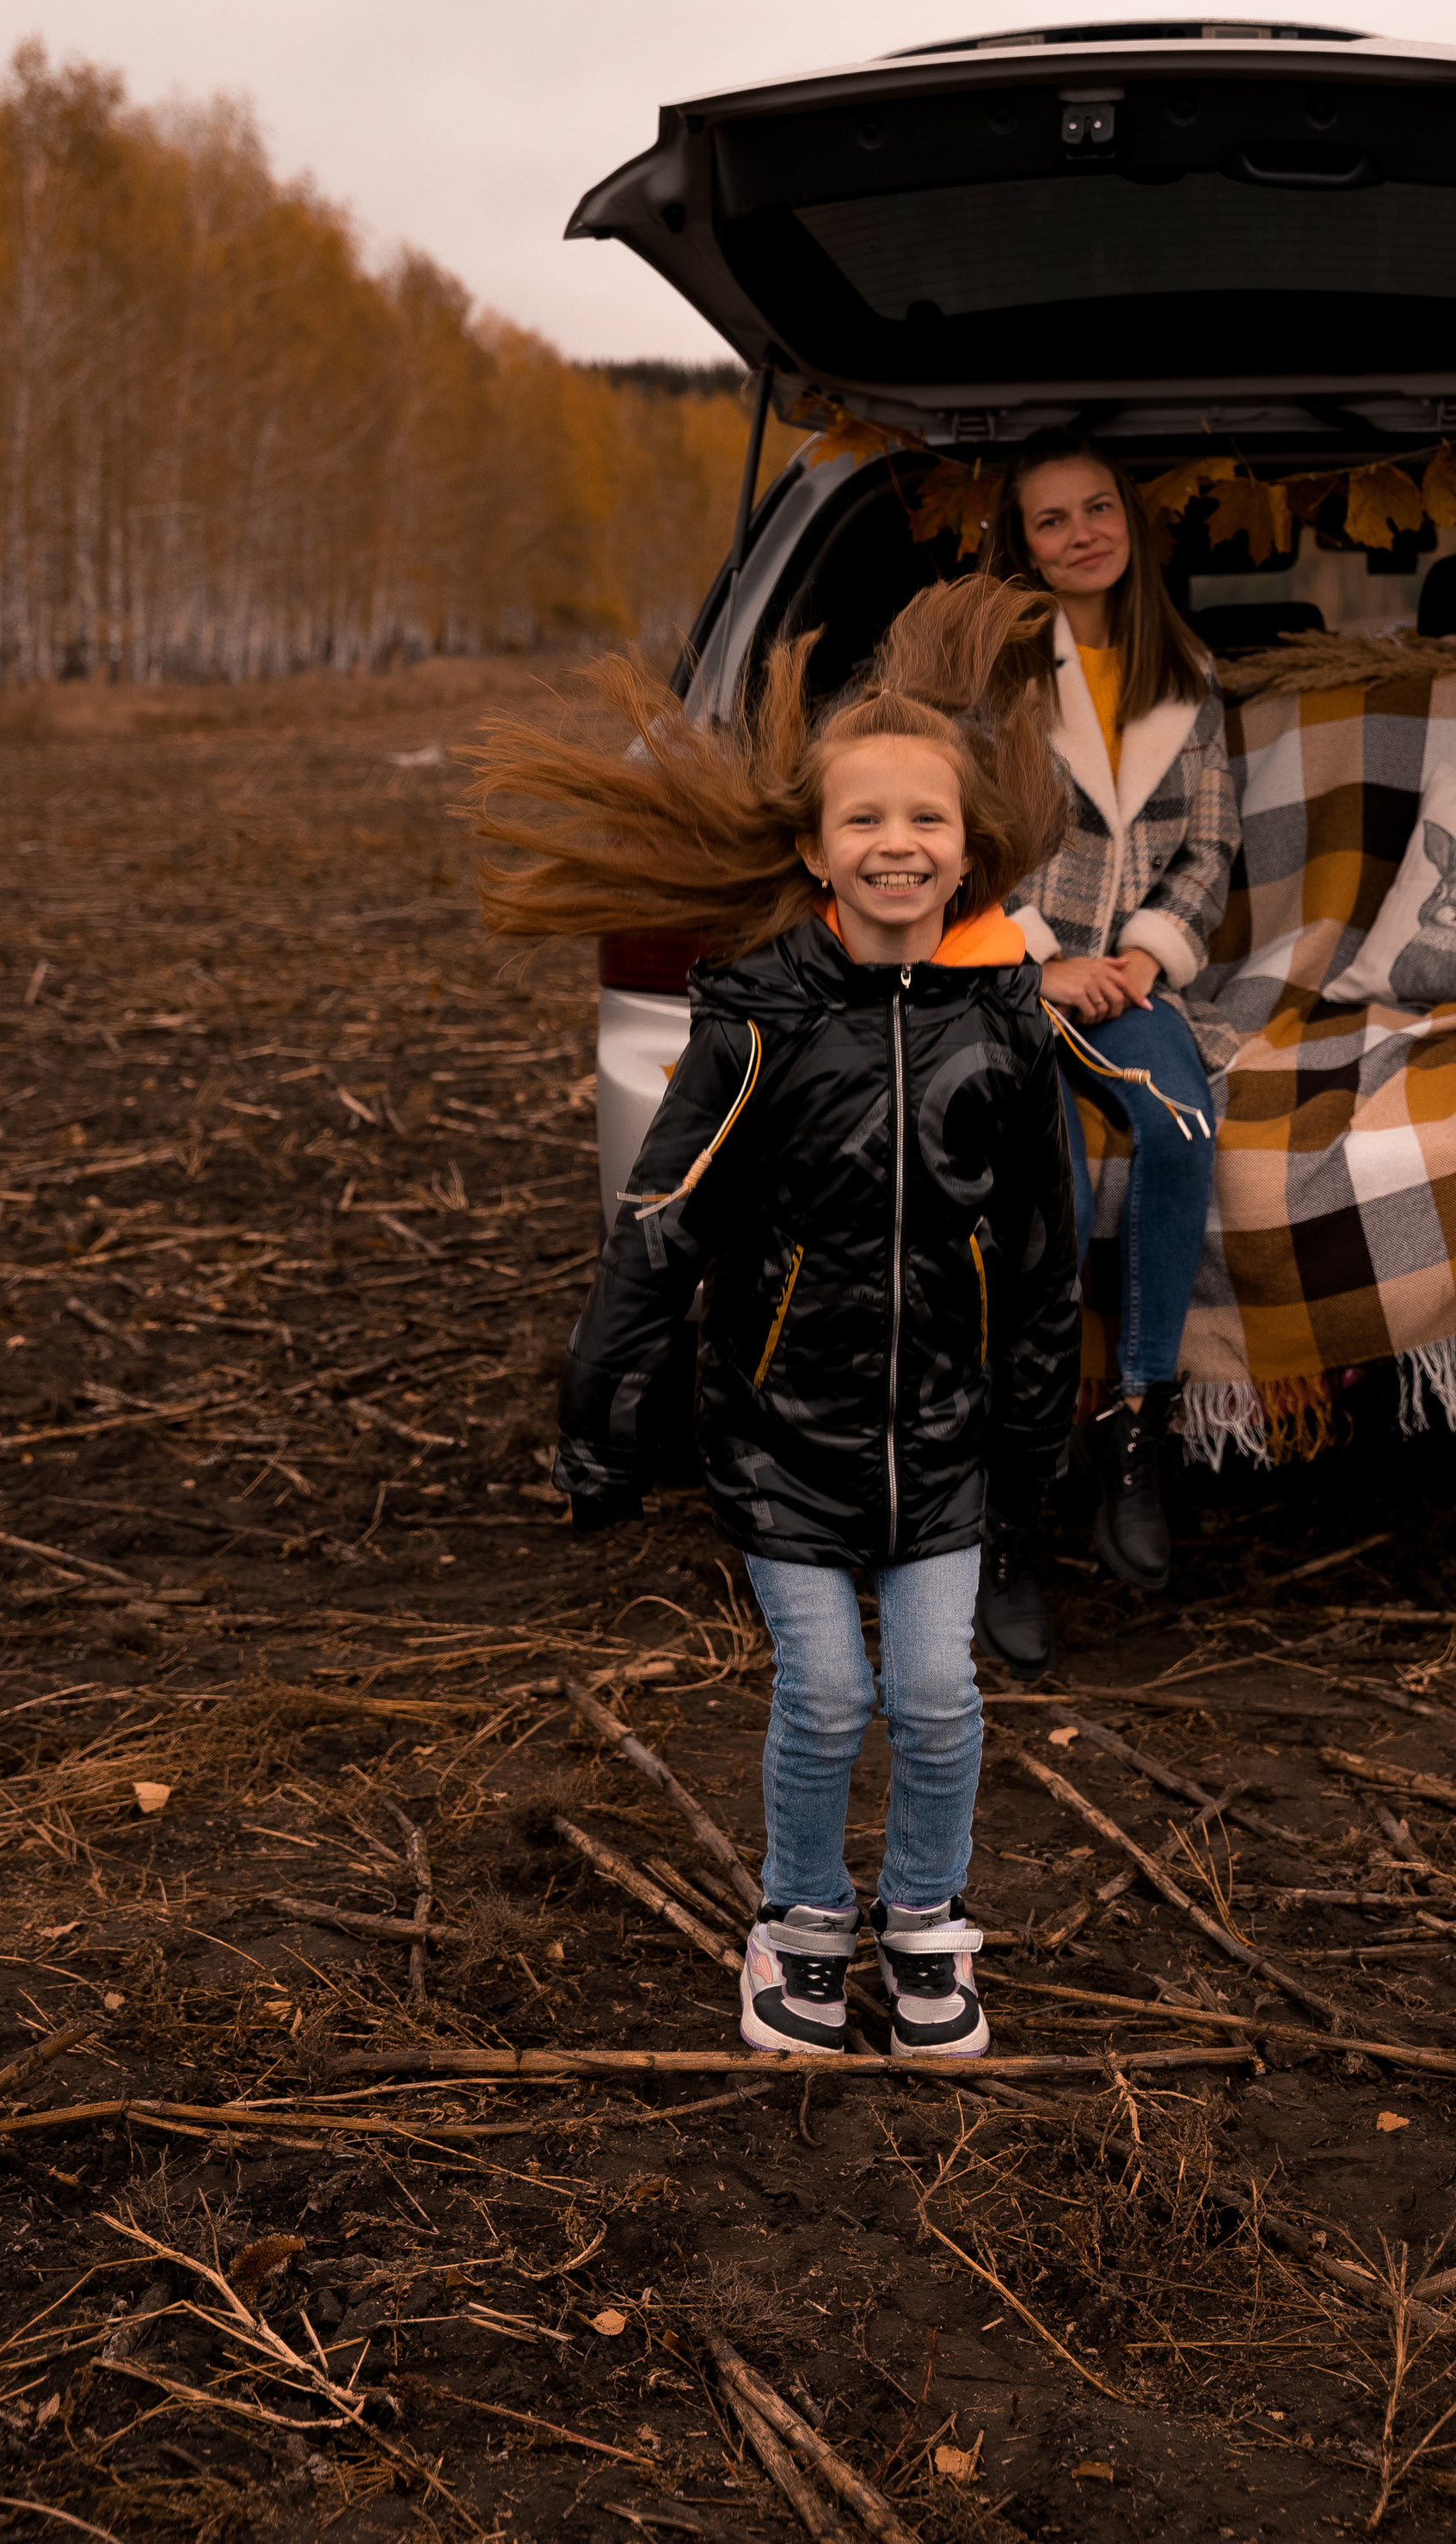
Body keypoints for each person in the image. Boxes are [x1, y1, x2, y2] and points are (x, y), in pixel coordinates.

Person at [471, 581, 1078, 2064]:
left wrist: (1037, 1428)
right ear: (815, 851)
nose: (896, 846)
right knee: (827, 1694)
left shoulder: (1005, 1023)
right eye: (864, 821)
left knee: (935, 1697)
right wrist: (599, 1430)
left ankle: (927, 1926)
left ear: (969, 850)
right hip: (779, 1433)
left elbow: (1045, 1245)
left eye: (925, 822)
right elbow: (657, 1232)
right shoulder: (755, 1018)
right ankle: (802, 1925)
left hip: (937, 1437)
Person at [980, 433, 1238, 1655]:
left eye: (1098, 510)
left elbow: (1210, 851)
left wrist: (1144, 956)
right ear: (1016, 545)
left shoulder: (1184, 671)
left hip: (1131, 975)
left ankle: (1136, 1429)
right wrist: (1041, 953)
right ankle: (1015, 1498)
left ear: (1130, 522)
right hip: (1011, 973)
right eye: (1050, 521)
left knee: (1182, 1130)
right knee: (1051, 1174)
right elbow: (958, 835)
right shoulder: (991, 674)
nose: (1081, 533)